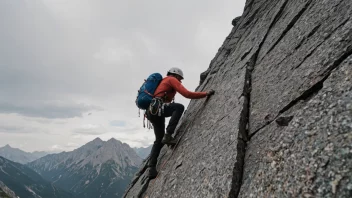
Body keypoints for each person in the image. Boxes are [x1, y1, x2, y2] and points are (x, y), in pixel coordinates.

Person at [146, 67, 215, 178]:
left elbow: (165, 99)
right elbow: (187, 94)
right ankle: (168, 135)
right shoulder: (171, 79)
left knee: (158, 140)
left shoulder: (164, 82)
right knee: (179, 107)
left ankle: (151, 168)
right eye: (180, 78)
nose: (180, 81)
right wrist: (205, 94)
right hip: (158, 108)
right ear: (176, 75)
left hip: (152, 112)